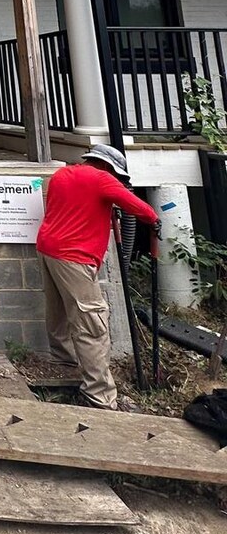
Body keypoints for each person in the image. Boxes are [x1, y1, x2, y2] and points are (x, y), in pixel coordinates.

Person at [35, 143, 159, 411]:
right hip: (75, 257)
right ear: (106, 166)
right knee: (91, 323)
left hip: (48, 249)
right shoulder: (102, 179)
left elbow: (78, 206)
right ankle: (100, 395)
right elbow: (142, 209)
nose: (118, 181)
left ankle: (64, 362)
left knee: (58, 312)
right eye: (117, 175)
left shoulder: (62, 175)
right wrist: (154, 220)